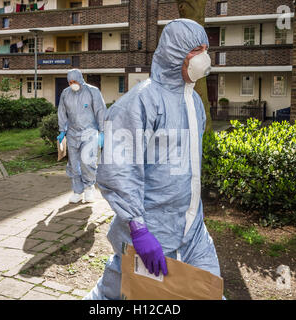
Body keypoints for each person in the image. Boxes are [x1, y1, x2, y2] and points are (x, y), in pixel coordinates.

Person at [83, 19, 223, 300]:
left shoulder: (194, 102)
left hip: (192, 229)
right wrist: (138, 228)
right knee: (123, 293)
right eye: (196, 50)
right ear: (175, 53)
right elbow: (118, 170)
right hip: (150, 230)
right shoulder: (140, 102)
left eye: (206, 49)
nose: (204, 57)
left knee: (208, 290)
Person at [57, 69, 106, 203]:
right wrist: (62, 130)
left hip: (89, 132)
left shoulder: (92, 91)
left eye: (75, 81)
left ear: (81, 79)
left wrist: (102, 132)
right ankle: (77, 191)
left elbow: (100, 111)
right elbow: (61, 111)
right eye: (70, 82)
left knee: (88, 162)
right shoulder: (66, 93)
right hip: (72, 133)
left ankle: (89, 188)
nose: (73, 84)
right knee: (73, 164)